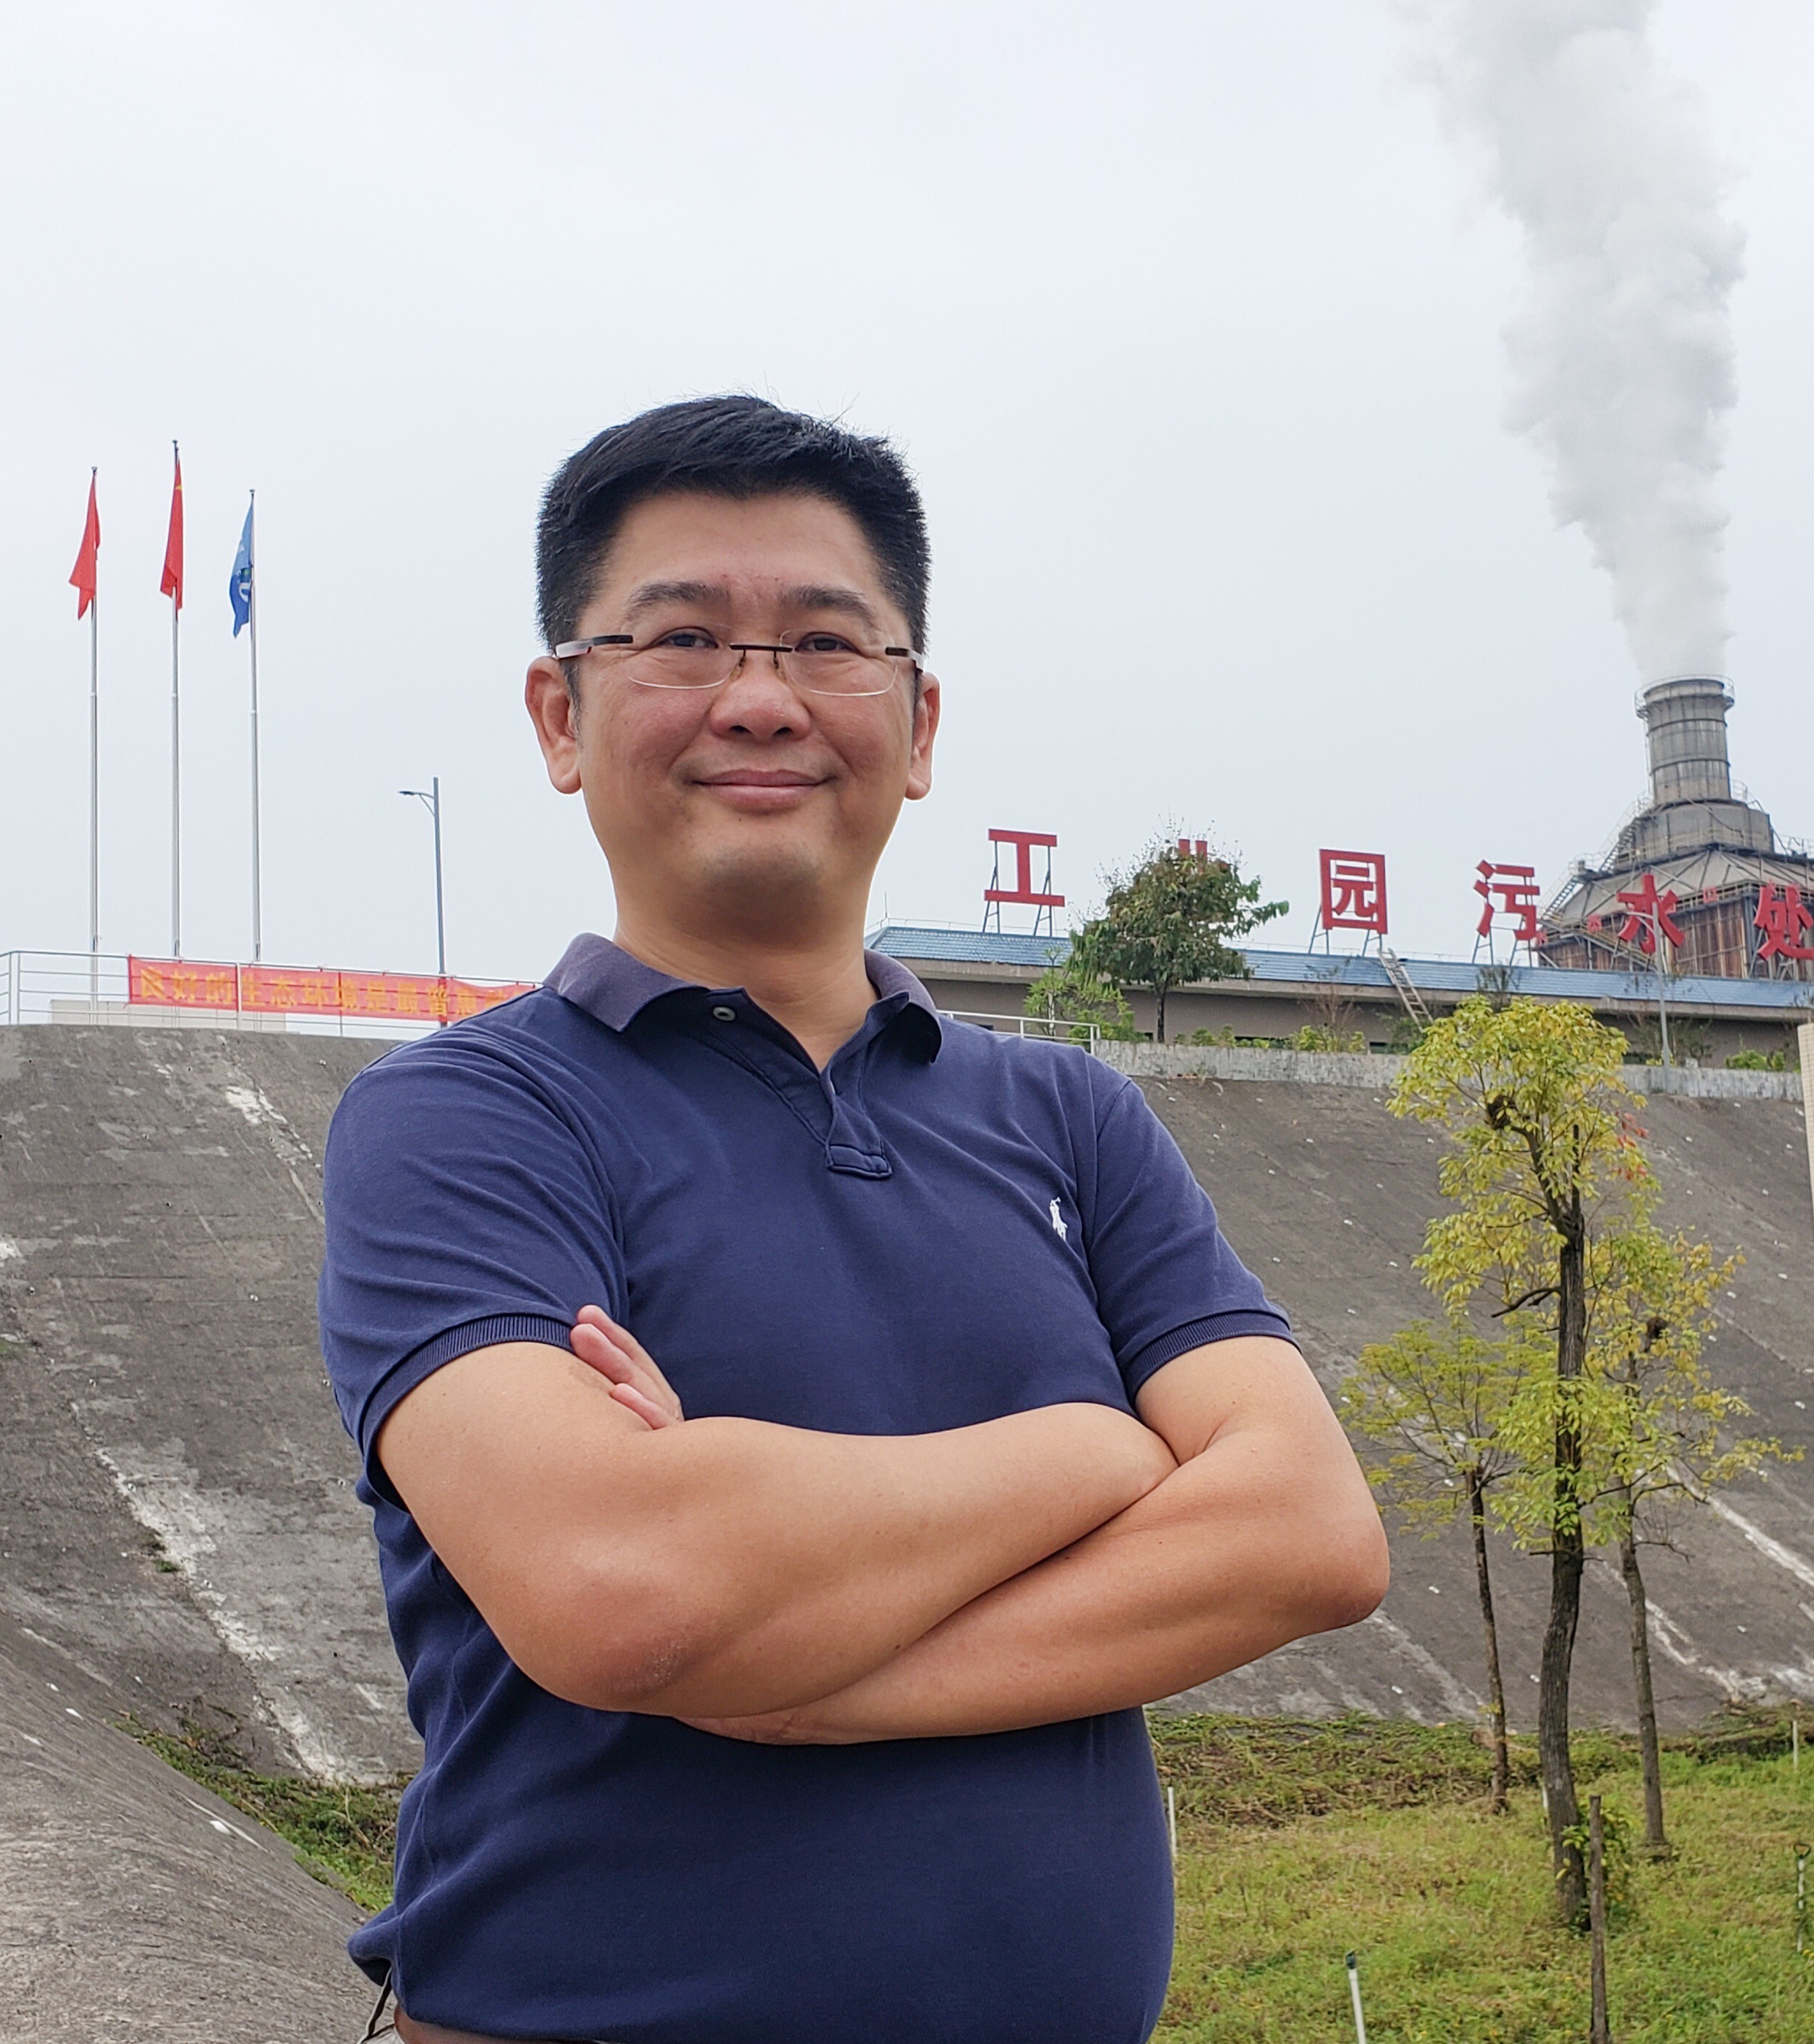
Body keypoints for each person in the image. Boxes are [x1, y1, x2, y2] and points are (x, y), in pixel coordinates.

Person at [316, 395, 1389, 2044]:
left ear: (920, 716)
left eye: (827, 643)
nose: (760, 697)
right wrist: (1099, 1454)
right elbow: (621, 1581)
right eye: (683, 638)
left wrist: (800, 1672)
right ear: (560, 712)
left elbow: (1308, 1535)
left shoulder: (1067, 1119)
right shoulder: (467, 1120)